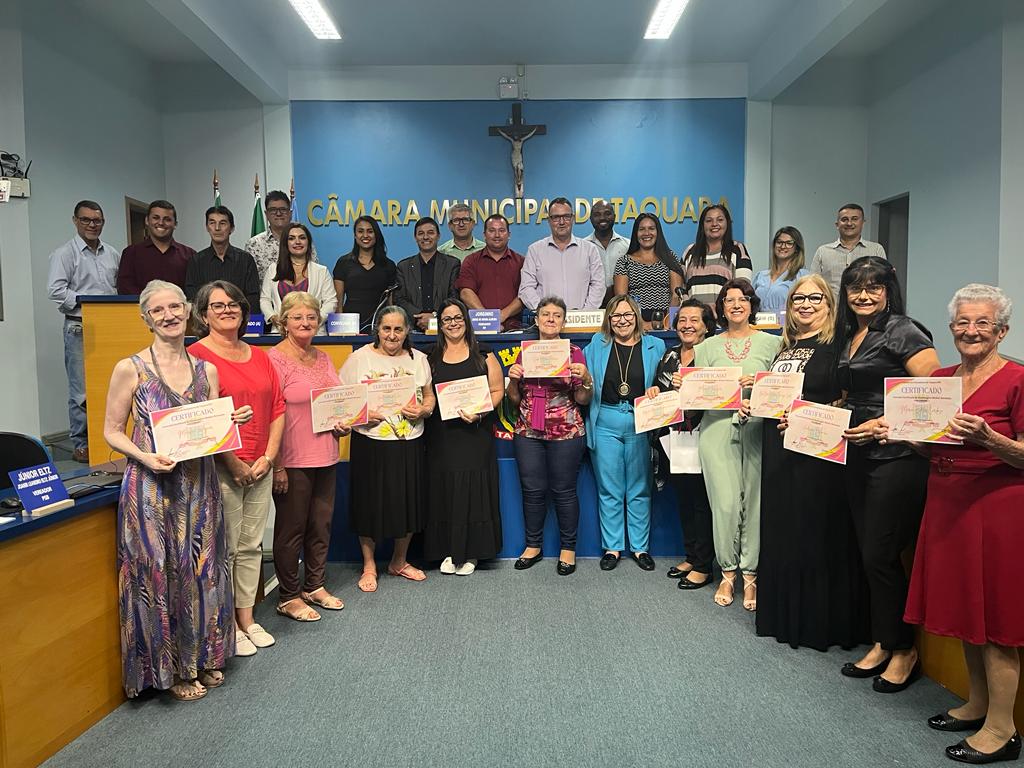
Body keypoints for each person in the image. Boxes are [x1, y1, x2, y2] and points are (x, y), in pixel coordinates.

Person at [102, 280, 252, 701]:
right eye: (157, 310)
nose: (168, 315)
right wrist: (145, 457)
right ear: (145, 318)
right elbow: (111, 431)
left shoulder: (208, 371)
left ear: (188, 310)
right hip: (150, 488)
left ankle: (202, 659)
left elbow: (210, 431)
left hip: (200, 486)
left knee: (203, 571)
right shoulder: (130, 368)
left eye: (175, 307)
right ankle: (170, 672)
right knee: (159, 574)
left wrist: (232, 420)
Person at [898, 284, 1024, 764]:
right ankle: (976, 703)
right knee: (969, 614)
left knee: (996, 621)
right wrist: (904, 436)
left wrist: (992, 440)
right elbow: (932, 446)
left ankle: (1003, 728)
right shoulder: (943, 379)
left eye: (983, 323)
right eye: (962, 323)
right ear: (951, 328)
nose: (971, 331)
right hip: (947, 501)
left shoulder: (1017, 379)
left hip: (997, 508)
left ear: (1002, 331)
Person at [836, 255, 939, 692]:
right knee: (868, 553)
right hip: (857, 454)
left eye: (873, 287)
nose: (863, 294)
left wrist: (888, 425)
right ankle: (882, 641)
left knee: (880, 554)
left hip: (897, 457)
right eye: (856, 286)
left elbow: (934, 399)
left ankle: (903, 650)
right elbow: (853, 393)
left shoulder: (904, 329)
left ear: (888, 291)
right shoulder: (852, 333)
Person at [754, 275, 868, 650]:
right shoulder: (785, 346)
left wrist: (807, 415)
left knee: (815, 531)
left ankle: (819, 623)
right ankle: (785, 617)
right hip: (779, 448)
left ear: (829, 304)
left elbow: (849, 398)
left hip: (819, 452)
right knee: (783, 528)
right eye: (798, 298)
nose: (805, 304)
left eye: (814, 297)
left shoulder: (839, 345)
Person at [189, 281, 285, 657]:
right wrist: (233, 462)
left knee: (250, 546)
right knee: (225, 548)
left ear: (244, 311)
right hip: (222, 466)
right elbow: (201, 418)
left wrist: (269, 457)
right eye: (217, 306)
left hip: (260, 464)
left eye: (233, 305)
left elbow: (278, 407)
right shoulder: (197, 356)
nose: (226, 310)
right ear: (203, 313)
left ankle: (247, 618)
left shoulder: (260, 355)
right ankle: (225, 622)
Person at [694, 278, 781, 609]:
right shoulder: (705, 348)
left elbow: (785, 388)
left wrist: (759, 385)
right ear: (721, 307)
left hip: (759, 428)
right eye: (728, 300)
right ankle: (728, 571)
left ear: (752, 304)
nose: (735, 304)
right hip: (717, 430)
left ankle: (751, 574)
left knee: (756, 503)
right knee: (726, 505)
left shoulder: (773, 345)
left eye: (742, 298)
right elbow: (694, 395)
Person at [338, 306, 436, 593]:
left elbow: (428, 396)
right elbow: (342, 402)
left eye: (398, 329)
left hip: (409, 441)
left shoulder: (420, 360)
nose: (392, 335)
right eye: (386, 329)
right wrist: (363, 416)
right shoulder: (359, 359)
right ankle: (369, 565)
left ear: (407, 331)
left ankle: (399, 561)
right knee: (368, 503)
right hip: (370, 441)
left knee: (408, 501)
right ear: (377, 330)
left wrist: (425, 410)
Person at [268, 292, 349, 621]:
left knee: (321, 524)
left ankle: (314, 585)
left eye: (311, 317)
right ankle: (288, 596)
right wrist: (277, 465)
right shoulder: (274, 359)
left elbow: (339, 400)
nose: (305, 323)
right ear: (283, 321)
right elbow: (269, 412)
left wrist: (345, 422)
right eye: (298, 317)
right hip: (292, 459)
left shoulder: (324, 357)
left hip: (326, 455)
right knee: (291, 529)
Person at [506, 297, 594, 575]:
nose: (551, 319)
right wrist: (512, 379)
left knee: (564, 491)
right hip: (528, 430)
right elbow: (513, 398)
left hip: (566, 430)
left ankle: (568, 549)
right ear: (536, 319)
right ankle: (533, 545)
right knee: (532, 491)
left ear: (564, 321)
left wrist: (587, 378)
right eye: (546, 314)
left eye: (557, 315)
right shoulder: (525, 352)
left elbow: (583, 399)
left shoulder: (575, 353)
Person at [584, 295, 666, 571]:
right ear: (609, 319)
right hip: (605, 419)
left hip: (640, 419)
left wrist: (657, 389)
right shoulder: (596, 345)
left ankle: (640, 548)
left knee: (640, 487)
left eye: (628, 315)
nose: (622, 321)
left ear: (637, 317)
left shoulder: (656, 346)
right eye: (616, 316)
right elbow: (586, 384)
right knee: (609, 488)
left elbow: (663, 382)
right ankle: (613, 548)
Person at [423, 299, 505, 575]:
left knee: (474, 490)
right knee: (444, 490)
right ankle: (448, 549)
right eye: (447, 319)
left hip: (475, 433)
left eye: (458, 318)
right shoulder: (431, 357)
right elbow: (426, 396)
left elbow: (497, 391)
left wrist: (480, 413)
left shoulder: (484, 353)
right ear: (440, 324)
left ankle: (471, 553)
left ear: (466, 321)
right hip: (442, 437)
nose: (454, 323)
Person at [650, 298, 716, 590]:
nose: (687, 326)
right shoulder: (669, 355)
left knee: (703, 502)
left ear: (706, 326)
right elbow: (659, 387)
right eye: (682, 320)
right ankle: (691, 556)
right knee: (685, 499)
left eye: (694, 320)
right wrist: (653, 390)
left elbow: (719, 392)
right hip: (674, 439)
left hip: (705, 434)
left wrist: (689, 387)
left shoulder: (713, 354)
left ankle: (704, 565)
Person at [47, 200, 120, 463]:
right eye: (86, 220)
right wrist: (87, 303)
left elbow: (117, 289)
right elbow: (55, 290)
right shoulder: (65, 254)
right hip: (79, 325)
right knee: (81, 390)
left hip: (110, 327)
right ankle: (81, 443)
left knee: (111, 384)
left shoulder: (112, 253)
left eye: (97, 220)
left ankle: (107, 438)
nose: (92, 224)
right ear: (75, 221)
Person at [519, 197, 605, 310]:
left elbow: (598, 285)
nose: (562, 222)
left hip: (582, 323)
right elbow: (526, 288)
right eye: (556, 218)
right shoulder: (535, 250)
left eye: (566, 216)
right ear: (549, 220)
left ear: (573, 218)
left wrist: (585, 314)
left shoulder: (590, 250)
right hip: (547, 323)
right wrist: (545, 312)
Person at [260, 223, 337, 334]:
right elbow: (265, 299)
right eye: (291, 238)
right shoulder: (273, 269)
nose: (297, 242)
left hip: (313, 334)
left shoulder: (321, 271)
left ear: (308, 242)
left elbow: (331, 301)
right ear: (285, 243)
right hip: (280, 333)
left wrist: (314, 320)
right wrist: (273, 317)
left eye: (302, 238)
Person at [612, 212, 684, 328]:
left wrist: (667, 323)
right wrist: (640, 324)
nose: (647, 233)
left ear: (658, 232)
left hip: (666, 320)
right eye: (642, 229)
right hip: (634, 322)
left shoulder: (670, 258)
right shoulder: (624, 261)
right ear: (636, 233)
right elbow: (622, 300)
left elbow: (676, 295)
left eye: (651, 229)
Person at [455, 213, 525, 330]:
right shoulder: (471, 261)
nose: (497, 235)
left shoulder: (521, 262)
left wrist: (502, 316)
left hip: (514, 329)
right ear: (484, 235)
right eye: (492, 230)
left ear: (509, 235)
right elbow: (466, 292)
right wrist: (488, 320)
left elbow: (524, 295)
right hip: (478, 330)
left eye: (502, 230)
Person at [185, 206, 260, 311]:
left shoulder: (246, 260)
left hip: (239, 320)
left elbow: (253, 296)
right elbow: (192, 295)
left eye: (223, 223)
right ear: (207, 227)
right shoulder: (196, 261)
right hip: (207, 321)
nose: (217, 228)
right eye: (212, 223)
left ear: (232, 228)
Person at [679, 204, 753, 310]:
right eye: (709, 221)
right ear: (702, 225)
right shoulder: (690, 251)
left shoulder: (737, 250)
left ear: (727, 223)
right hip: (694, 321)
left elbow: (743, 290)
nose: (714, 224)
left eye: (720, 220)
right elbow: (681, 289)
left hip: (724, 321)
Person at [395, 217, 461, 332]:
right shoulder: (403, 267)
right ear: (415, 237)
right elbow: (399, 299)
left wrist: (435, 316)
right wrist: (421, 316)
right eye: (421, 233)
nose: (425, 237)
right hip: (413, 329)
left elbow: (454, 297)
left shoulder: (452, 264)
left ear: (438, 236)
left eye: (430, 233)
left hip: (445, 329)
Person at [331, 215, 397, 331]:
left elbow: (391, 303)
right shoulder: (343, 263)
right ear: (355, 236)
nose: (365, 235)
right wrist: (339, 330)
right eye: (360, 231)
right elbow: (338, 301)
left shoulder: (389, 265)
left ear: (376, 235)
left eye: (370, 231)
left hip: (380, 326)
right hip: (349, 325)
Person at [116, 200, 195, 294]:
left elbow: (194, 289)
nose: (161, 223)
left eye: (167, 219)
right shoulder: (131, 253)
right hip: (141, 307)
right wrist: (151, 301)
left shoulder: (190, 255)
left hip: (179, 307)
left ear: (175, 224)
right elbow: (124, 287)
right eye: (156, 218)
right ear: (147, 221)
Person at [811, 203, 887, 297]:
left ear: (863, 222)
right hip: (832, 309)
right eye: (844, 219)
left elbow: (884, 282)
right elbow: (813, 284)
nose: (849, 223)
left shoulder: (876, 249)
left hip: (866, 307)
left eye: (855, 219)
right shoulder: (822, 251)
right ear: (837, 224)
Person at [245, 190, 318, 282]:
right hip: (267, 295)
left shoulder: (302, 241)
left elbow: (314, 272)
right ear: (266, 214)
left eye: (283, 209)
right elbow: (249, 280)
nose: (278, 214)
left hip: (301, 295)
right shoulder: (254, 244)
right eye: (273, 210)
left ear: (290, 213)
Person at [752, 227, 810, 315]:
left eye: (789, 243)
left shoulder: (803, 276)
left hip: (787, 326)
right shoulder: (761, 275)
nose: (783, 246)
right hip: (759, 325)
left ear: (797, 248)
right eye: (779, 242)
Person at [584, 200, 630, 295]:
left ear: (615, 216)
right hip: (591, 306)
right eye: (597, 214)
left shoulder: (628, 246)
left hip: (622, 305)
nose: (602, 218)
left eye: (607, 213)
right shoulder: (582, 247)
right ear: (591, 219)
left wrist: (670, 310)